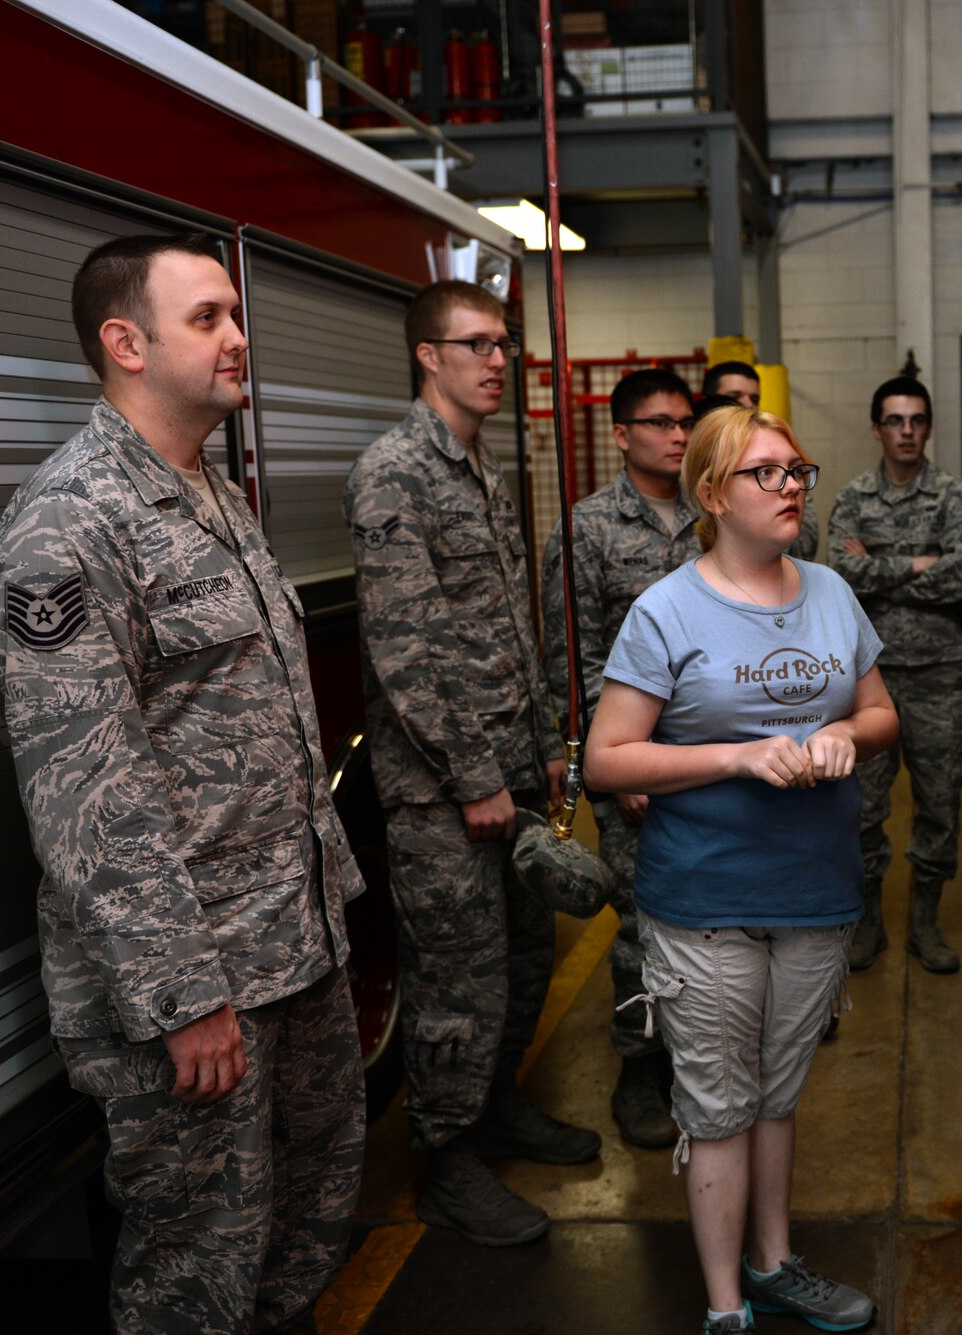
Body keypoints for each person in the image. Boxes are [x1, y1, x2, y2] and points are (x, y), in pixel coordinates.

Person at [0, 232, 364, 1334]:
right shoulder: (71, 519)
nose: (239, 337)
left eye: (235, 315)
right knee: (194, 1269)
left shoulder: (207, 493)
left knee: (302, 1222)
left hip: (294, 947)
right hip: (198, 990)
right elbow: (83, 792)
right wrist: (183, 996)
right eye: (208, 318)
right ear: (126, 343)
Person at [584, 406, 897, 1335]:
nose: (794, 484)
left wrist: (843, 731)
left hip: (814, 891)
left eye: (798, 467)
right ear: (715, 494)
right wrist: (735, 755)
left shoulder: (833, 595)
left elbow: (882, 714)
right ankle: (726, 1308)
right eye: (768, 472)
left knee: (777, 1093)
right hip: (707, 897)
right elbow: (609, 758)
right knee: (718, 1105)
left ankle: (773, 1264)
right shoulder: (666, 609)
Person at [343, 280, 593, 1248]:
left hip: (509, 775)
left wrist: (539, 752)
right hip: (442, 795)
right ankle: (444, 1161)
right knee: (459, 979)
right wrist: (473, 778)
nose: (498, 362)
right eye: (477, 344)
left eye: (505, 346)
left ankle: (494, 1109)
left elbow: (507, 632)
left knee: (526, 954)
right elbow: (406, 649)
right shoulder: (392, 472)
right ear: (426, 355)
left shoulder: (481, 469)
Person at [541, 366, 700, 1149]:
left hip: (716, 762)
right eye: (662, 423)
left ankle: (702, 1059)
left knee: (715, 922)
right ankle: (641, 1065)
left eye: (685, 422)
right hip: (632, 762)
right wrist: (617, 763)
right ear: (623, 433)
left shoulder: (715, 515)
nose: (677, 436)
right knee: (643, 926)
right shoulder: (587, 530)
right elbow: (573, 660)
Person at [827, 376, 962, 973]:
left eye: (917, 420)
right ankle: (869, 921)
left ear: (928, 427)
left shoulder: (951, 494)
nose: (907, 431)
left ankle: (925, 922)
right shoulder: (855, 496)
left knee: (940, 802)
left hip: (940, 675)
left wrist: (882, 569)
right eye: (894, 420)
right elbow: (839, 569)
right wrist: (920, 563)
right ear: (876, 428)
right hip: (868, 679)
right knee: (862, 808)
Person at [704, 359, 817, 559]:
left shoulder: (786, 468)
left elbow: (802, 545)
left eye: (754, 399)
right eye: (734, 397)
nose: (747, 405)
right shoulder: (696, 471)